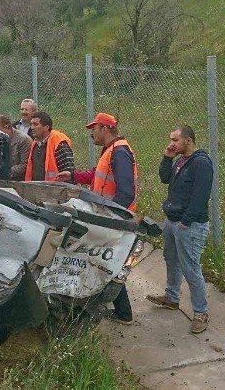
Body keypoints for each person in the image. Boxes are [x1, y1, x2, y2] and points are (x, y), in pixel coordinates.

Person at [57, 112, 139, 324]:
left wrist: (112, 217)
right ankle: (122, 312)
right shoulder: (111, 151)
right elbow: (97, 175)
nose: (91, 133)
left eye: (94, 129)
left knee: (107, 262)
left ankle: (121, 312)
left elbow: (126, 192)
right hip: (107, 217)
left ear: (105, 128)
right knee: (106, 261)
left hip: (113, 219)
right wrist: (73, 176)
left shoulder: (119, 152)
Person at [146, 125, 215, 334]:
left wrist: (186, 221)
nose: (171, 144)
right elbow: (165, 178)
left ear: (188, 141)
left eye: (175, 140)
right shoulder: (180, 161)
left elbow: (201, 196)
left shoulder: (201, 163)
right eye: (170, 140)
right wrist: (167, 157)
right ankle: (171, 297)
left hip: (189, 225)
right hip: (172, 220)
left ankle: (200, 313)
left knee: (190, 267)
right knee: (171, 259)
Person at [24, 111, 75, 181]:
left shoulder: (59, 142)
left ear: (46, 127)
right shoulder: (35, 143)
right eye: (31, 124)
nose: (32, 127)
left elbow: (69, 172)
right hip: (37, 188)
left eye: (35, 124)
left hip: (56, 189)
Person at [0, 114, 32, 180]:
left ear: (6, 127)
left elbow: (25, 165)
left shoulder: (23, 140)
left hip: (19, 180)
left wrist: (4, 173)